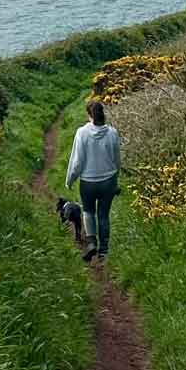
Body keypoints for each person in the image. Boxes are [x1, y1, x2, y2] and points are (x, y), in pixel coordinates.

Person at [63, 99, 121, 260]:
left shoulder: (82, 133)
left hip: (88, 182)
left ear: (89, 114)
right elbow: (117, 160)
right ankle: (104, 250)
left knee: (88, 212)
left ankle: (91, 243)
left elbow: (77, 162)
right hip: (108, 180)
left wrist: (70, 180)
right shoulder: (112, 133)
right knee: (103, 215)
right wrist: (116, 179)